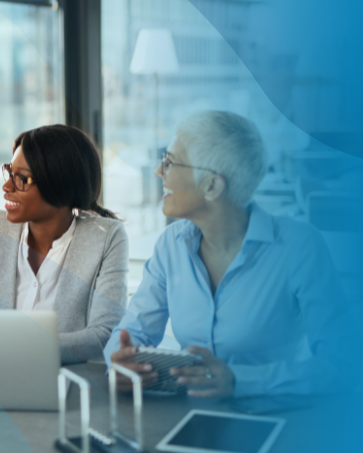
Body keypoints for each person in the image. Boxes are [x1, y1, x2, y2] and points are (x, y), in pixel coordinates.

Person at [104, 110, 356, 398]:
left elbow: (342, 364)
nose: (159, 172)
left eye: (170, 162)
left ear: (212, 185)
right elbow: (131, 331)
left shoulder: (300, 247)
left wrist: (240, 380)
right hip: (191, 419)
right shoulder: (171, 245)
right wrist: (119, 363)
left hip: (278, 425)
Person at [0, 125, 128, 364]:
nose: (7, 187)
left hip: (67, 385)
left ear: (58, 182)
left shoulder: (106, 238)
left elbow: (105, 335)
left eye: (21, 179)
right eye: (9, 172)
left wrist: (12, 350)